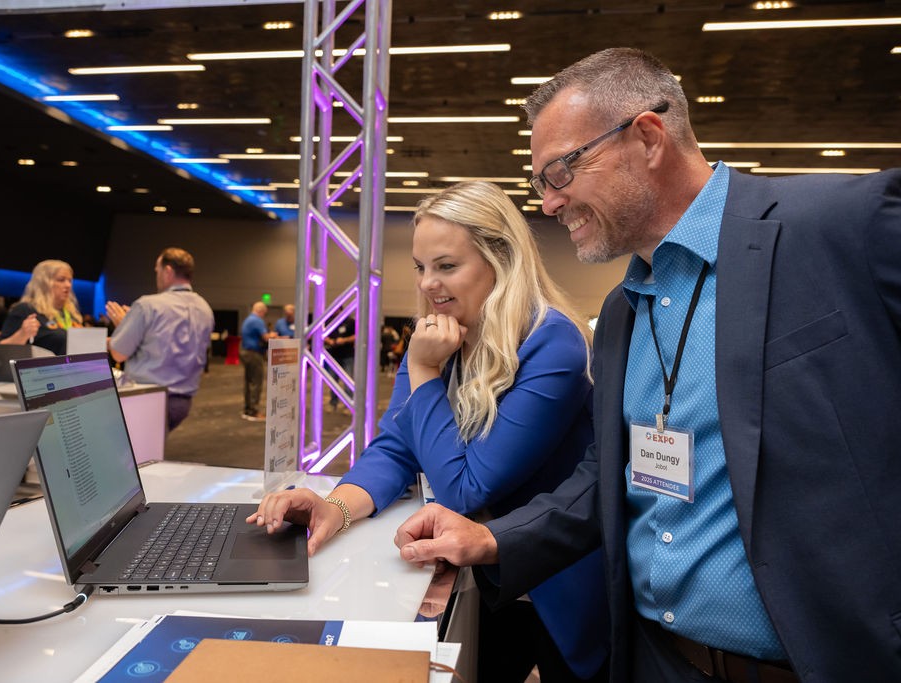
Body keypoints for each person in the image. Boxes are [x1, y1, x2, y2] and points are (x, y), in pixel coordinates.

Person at [393, 48, 901, 683]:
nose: (549, 204)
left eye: (561, 172)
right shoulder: (624, 312)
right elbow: (611, 475)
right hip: (657, 662)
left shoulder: (838, 229)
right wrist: (496, 541)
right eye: (539, 184)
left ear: (647, 137)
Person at [249, 181, 609, 682]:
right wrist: (337, 505)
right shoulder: (443, 335)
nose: (426, 284)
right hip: (479, 578)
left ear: (499, 260)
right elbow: (397, 447)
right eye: (420, 267)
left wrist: (422, 373)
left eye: (446, 266)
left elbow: (466, 488)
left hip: (552, 583)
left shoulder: (554, 344)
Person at [105, 247, 214, 432]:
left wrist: (119, 331)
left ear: (168, 271)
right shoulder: (204, 308)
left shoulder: (149, 305)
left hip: (148, 398)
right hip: (182, 402)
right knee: (152, 454)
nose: (156, 275)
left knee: (133, 456)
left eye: (157, 270)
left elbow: (118, 354)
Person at [0, 259, 83, 355]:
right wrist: (22, 334)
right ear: (44, 283)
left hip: (74, 368)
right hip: (44, 369)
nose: (68, 285)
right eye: (61, 280)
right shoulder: (26, 309)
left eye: (70, 280)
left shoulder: (71, 313)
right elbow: (1, 350)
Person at [239, 301, 273, 421]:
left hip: (245, 351)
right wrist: (273, 336)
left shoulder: (248, 319)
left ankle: (248, 409)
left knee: (248, 382)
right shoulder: (257, 321)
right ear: (261, 311)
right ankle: (254, 411)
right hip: (254, 353)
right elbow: (265, 337)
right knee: (256, 382)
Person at [324, 312, 355, 412]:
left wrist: (344, 340)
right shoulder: (329, 321)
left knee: (348, 380)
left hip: (347, 355)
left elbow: (357, 335)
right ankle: (333, 403)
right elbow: (323, 334)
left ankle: (349, 405)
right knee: (333, 381)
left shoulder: (350, 322)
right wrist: (329, 341)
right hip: (333, 355)